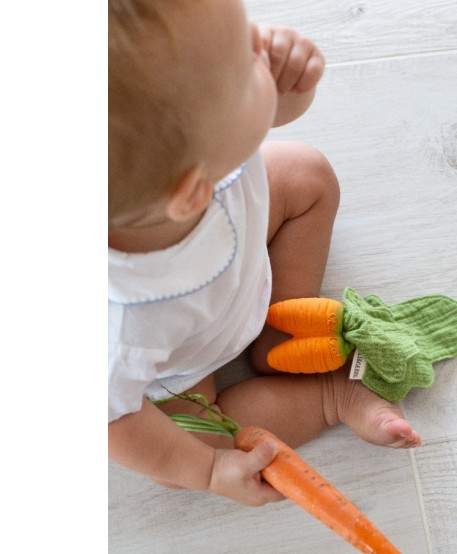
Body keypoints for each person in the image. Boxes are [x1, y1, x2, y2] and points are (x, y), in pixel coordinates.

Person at [108, 0, 421, 507]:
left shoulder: (193, 152)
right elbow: (113, 418)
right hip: (181, 366)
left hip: (245, 263)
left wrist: (290, 87)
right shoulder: (125, 330)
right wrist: (209, 471)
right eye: (243, 61)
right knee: (180, 459)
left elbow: (262, 115)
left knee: (307, 173)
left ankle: (287, 330)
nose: (262, 43)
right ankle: (328, 396)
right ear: (194, 190)